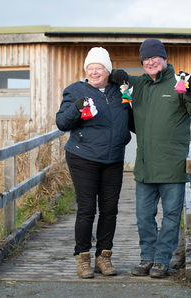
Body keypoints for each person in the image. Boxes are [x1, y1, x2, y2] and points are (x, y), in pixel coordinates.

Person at [112, 39, 191, 278]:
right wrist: (118, 74)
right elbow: (112, 76)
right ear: (142, 63)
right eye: (145, 59)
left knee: (171, 216)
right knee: (144, 217)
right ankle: (147, 257)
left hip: (172, 165)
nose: (151, 62)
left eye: (155, 57)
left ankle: (162, 260)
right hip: (145, 166)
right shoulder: (139, 84)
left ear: (164, 59)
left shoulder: (179, 83)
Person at [56, 47, 134, 279]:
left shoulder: (120, 91)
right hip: (83, 157)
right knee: (87, 209)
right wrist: (77, 107)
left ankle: (104, 257)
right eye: (90, 68)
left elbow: (133, 119)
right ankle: (83, 257)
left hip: (113, 158)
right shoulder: (75, 90)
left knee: (110, 210)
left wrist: (127, 87)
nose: (94, 72)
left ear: (108, 71)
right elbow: (62, 122)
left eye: (99, 67)